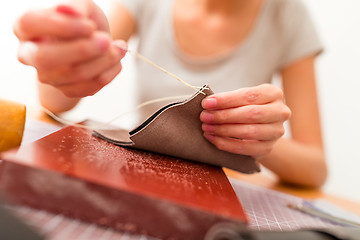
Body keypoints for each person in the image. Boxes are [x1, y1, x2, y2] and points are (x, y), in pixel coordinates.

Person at [14, 0, 326, 187]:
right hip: (135, 176)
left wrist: (256, 140)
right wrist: (67, 52)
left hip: (230, 190)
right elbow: (54, 102)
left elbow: (315, 168)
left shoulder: (288, 14)